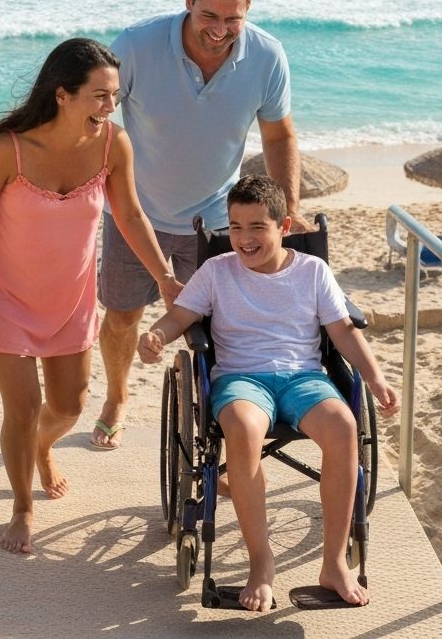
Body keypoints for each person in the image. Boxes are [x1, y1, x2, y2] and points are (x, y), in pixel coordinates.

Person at [0, 38, 183, 556]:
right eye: (99, 96)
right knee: (23, 407)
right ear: (63, 95)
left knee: (70, 405)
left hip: (71, 296)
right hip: (2, 293)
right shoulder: (7, 149)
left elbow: (131, 216)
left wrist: (164, 277)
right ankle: (22, 506)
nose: (109, 106)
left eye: (114, 96)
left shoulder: (112, 145)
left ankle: (41, 448)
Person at [137, 175, 399, 611]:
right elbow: (180, 316)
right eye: (236, 228)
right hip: (241, 378)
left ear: (284, 225)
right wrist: (156, 336)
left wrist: (374, 378)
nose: (243, 239)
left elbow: (344, 333)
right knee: (241, 427)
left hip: (303, 378)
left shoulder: (313, 272)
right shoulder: (216, 271)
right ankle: (262, 564)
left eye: (257, 226)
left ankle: (333, 563)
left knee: (344, 427)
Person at [93, 0, 311, 449]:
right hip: (134, 214)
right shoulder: (136, 45)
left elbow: (278, 138)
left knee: (215, 329)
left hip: (215, 222)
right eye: (208, 14)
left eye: (233, 19)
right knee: (123, 316)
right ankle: (117, 397)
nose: (219, 29)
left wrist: (288, 208)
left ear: (249, 8)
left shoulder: (267, 56)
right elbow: (95, 121)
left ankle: (210, 418)